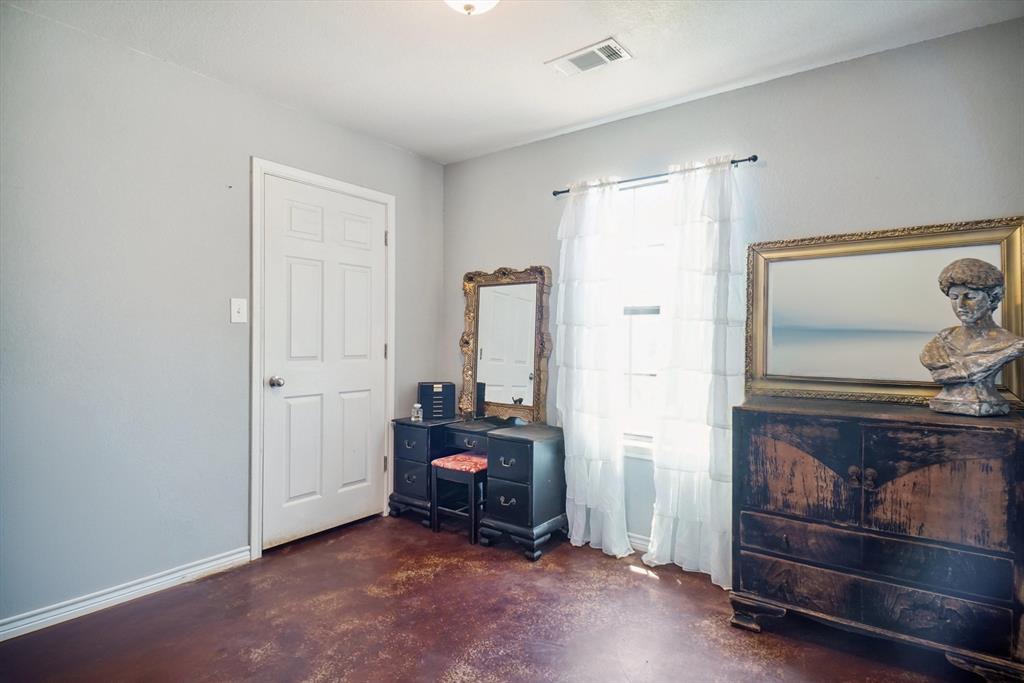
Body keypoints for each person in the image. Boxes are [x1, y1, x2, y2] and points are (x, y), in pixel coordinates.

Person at [920, 257, 1024, 416]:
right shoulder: (943, 339)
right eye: (954, 297)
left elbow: (955, 373)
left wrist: (1009, 351)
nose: (960, 305)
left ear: (993, 297)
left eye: (970, 297)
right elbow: (940, 375)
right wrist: (1005, 354)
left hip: (986, 401)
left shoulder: (1011, 343)